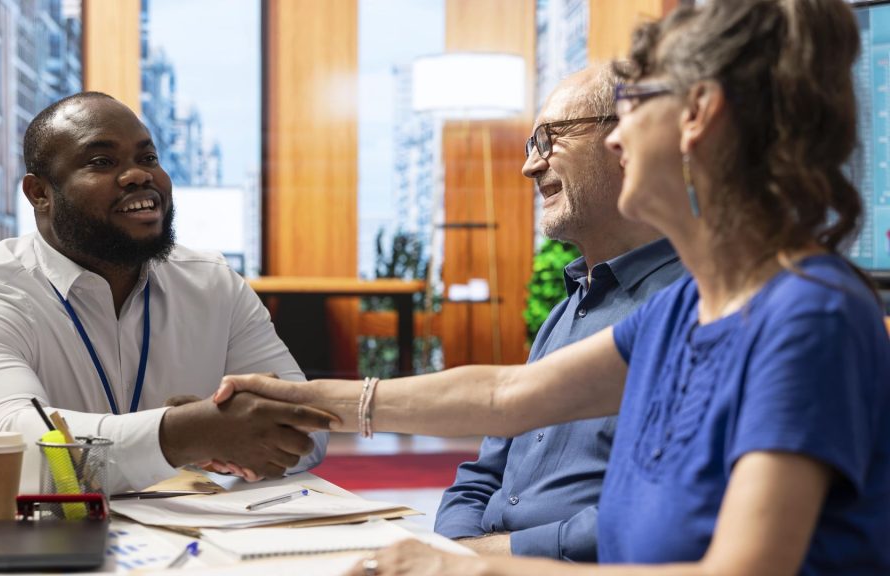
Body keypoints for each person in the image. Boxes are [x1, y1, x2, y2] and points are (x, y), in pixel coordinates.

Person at [215, 0, 890, 573]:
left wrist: (476, 567)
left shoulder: (810, 314)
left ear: (698, 115)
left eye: (631, 103)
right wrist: (300, 399)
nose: (617, 134)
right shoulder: (690, 306)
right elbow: (504, 397)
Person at [0, 92, 333, 493]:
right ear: (40, 193)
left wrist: (228, 437)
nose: (139, 175)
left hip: (204, 541)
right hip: (56, 546)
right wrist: (183, 435)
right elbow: (4, 450)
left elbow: (307, 431)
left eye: (148, 158)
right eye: (102, 162)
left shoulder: (213, 284)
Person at [434, 64, 682, 560]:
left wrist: (498, 558)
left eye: (549, 138)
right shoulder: (566, 310)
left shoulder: (688, 307)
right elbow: (483, 472)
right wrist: (458, 548)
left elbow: (657, 513)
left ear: (627, 142)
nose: (529, 166)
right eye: (531, 144)